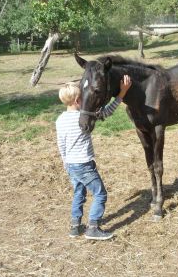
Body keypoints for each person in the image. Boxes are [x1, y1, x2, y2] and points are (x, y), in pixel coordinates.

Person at [56, 75, 132, 240]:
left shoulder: (60, 120)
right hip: (84, 164)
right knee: (100, 194)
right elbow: (107, 112)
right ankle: (93, 227)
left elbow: (61, 144)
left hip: (70, 164)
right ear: (78, 101)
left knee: (79, 192)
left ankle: (75, 227)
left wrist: (65, 163)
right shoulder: (83, 118)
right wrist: (122, 93)